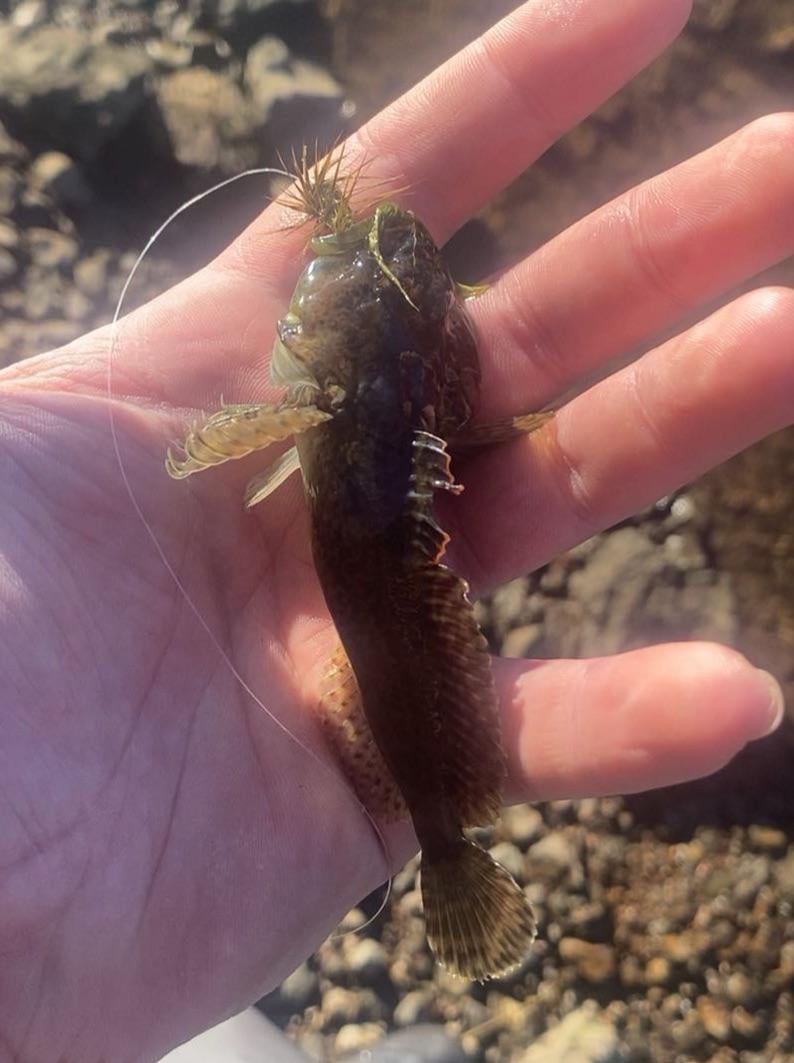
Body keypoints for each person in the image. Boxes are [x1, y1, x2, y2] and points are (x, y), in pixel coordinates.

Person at [0, 0, 790, 1058]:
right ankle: (442, 836)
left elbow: (218, 443)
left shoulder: (318, 393)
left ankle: (444, 842)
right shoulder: (370, 390)